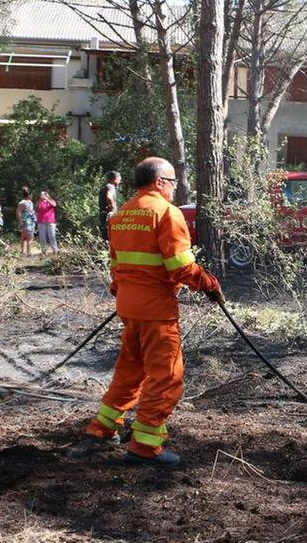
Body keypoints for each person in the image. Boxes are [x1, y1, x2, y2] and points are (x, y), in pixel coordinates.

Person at [71, 157, 224, 466]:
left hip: (129, 308)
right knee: (167, 378)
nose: (175, 188)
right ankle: (144, 444)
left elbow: (117, 267)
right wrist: (209, 284)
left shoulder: (121, 215)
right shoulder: (167, 213)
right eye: (173, 182)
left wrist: (126, 293)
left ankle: (102, 428)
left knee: (130, 373)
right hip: (156, 311)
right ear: (159, 182)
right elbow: (180, 267)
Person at [98, 170, 120, 241]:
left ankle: (104, 246)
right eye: (119, 179)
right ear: (114, 179)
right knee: (110, 234)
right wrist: (112, 207)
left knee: (105, 234)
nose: (120, 181)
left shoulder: (104, 187)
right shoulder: (110, 187)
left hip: (103, 213)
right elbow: (109, 196)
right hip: (109, 214)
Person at [36, 189, 59, 254]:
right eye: (41, 194)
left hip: (50, 222)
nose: (42, 195)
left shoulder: (51, 201)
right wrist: (40, 200)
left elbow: (54, 205)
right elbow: (36, 207)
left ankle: (55, 251)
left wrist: (47, 199)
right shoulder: (39, 202)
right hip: (41, 222)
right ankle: (44, 252)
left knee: (52, 237)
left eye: (43, 194)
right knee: (42, 238)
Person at [16, 187, 36, 256]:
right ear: (29, 195)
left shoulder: (30, 202)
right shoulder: (23, 203)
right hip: (26, 222)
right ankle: (27, 252)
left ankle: (23, 252)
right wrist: (20, 221)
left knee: (25, 237)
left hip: (30, 222)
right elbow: (18, 211)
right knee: (28, 237)